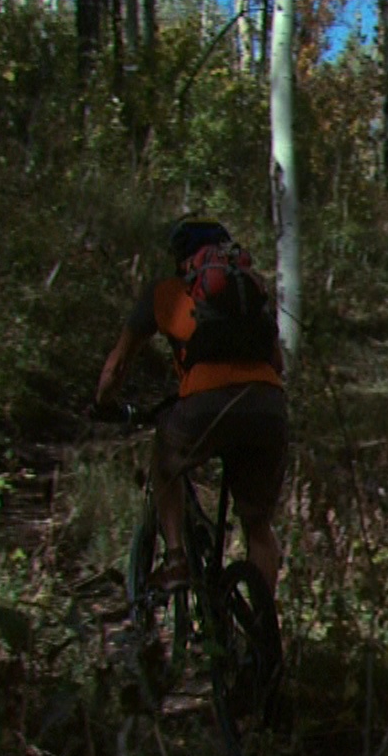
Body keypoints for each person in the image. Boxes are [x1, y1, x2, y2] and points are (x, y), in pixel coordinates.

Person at [95, 219, 287, 600]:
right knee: (259, 527)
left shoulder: (166, 293)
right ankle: (263, 641)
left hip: (205, 406)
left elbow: (116, 366)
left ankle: (176, 558)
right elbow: (277, 363)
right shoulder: (250, 294)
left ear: (180, 259)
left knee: (165, 461)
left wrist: (101, 404)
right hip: (269, 406)